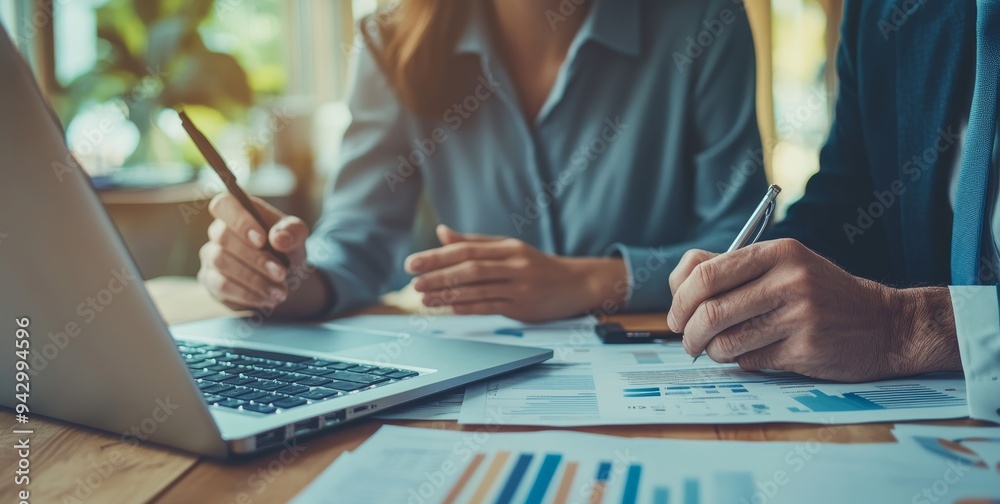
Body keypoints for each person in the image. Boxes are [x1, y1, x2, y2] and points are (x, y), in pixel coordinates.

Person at [197, 0, 766, 323]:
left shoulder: (703, 21)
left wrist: (593, 280)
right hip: (476, 382)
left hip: (666, 368)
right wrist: (283, 276)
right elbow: (356, 240)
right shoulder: (393, 43)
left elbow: (736, 244)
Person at [667, 0, 1000, 420]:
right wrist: (752, 277)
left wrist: (903, 328)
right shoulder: (882, 13)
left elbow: (891, 321)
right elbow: (847, 211)